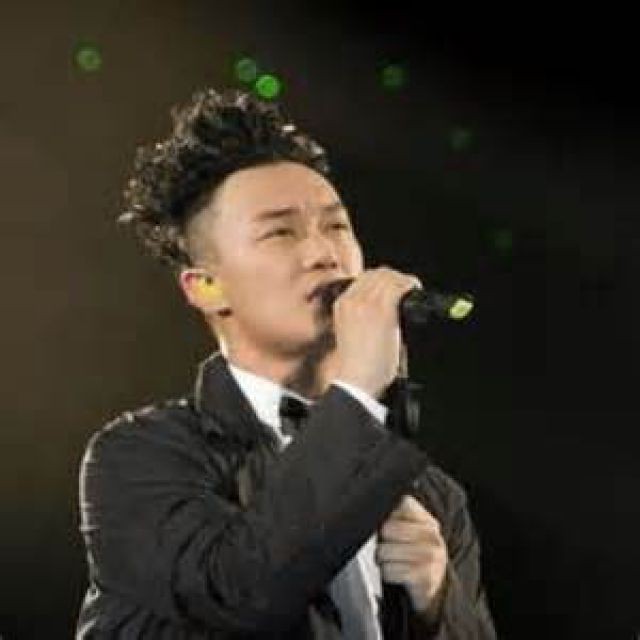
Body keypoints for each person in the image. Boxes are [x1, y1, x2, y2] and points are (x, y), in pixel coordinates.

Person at [76, 88, 497, 638]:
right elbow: (238, 593)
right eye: (280, 232)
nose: (325, 253)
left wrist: (439, 603)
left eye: (337, 226)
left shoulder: (434, 495)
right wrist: (359, 390)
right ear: (205, 287)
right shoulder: (140, 457)